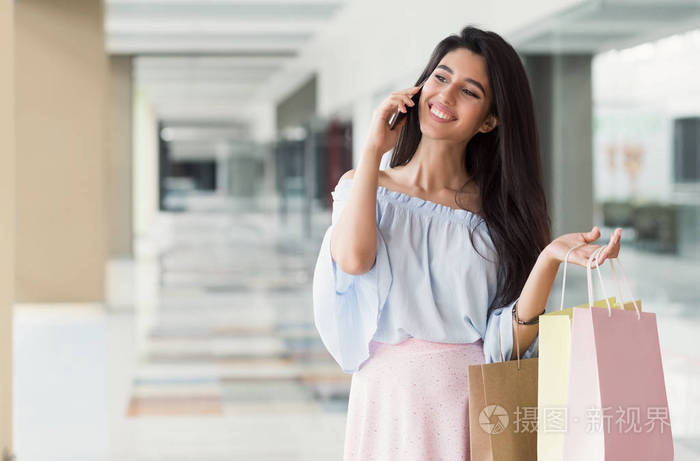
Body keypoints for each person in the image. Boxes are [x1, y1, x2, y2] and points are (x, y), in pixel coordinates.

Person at [312, 25, 622, 461]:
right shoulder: (367, 186)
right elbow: (354, 260)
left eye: (469, 91)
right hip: (387, 399)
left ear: (490, 120)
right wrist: (371, 151)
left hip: (471, 403)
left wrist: (549, 259)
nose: (446, 95)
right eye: (441, 77)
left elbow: (503, 345)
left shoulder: (495, 217)